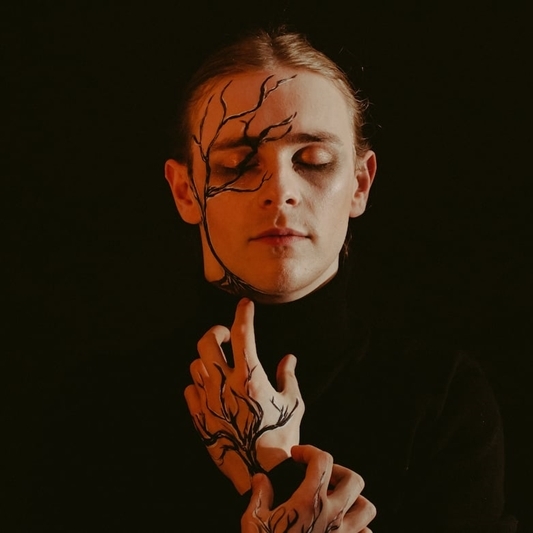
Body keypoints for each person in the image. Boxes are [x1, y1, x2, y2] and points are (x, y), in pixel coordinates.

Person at [26, 28, 515, 532]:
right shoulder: (98, 411)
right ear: (185, 191)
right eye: (237, 165)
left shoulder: (442, 400)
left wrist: (272, 464)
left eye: (314, 161)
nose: (280, 190)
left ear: (360, 184)